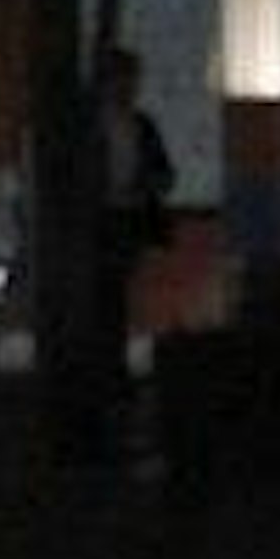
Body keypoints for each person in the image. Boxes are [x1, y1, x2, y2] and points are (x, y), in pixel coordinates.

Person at [88, 43, 177, 396]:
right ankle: (106, 365)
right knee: (106, 295)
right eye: (123, 79)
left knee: (116, 294)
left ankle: (112, 364)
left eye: (132, 80)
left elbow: (164, 172)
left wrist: (146, 188)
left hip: (128, 218)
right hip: (102, 219)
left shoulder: (141, 124)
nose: (129, 87)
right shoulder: (93, 126)